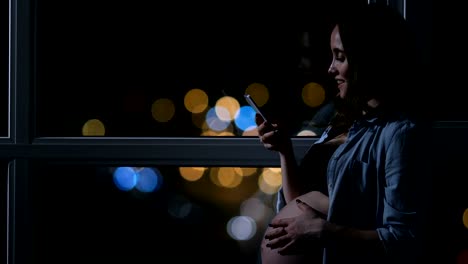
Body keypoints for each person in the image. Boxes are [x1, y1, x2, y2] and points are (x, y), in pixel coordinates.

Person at [256, 2, 429, 264]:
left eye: (340, 57)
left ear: (368, 59)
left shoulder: (399, 135)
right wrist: (285, 151)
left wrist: (327, 232)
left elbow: (404, 238)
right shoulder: (344, 121)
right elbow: (301, 204)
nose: (330, 69)